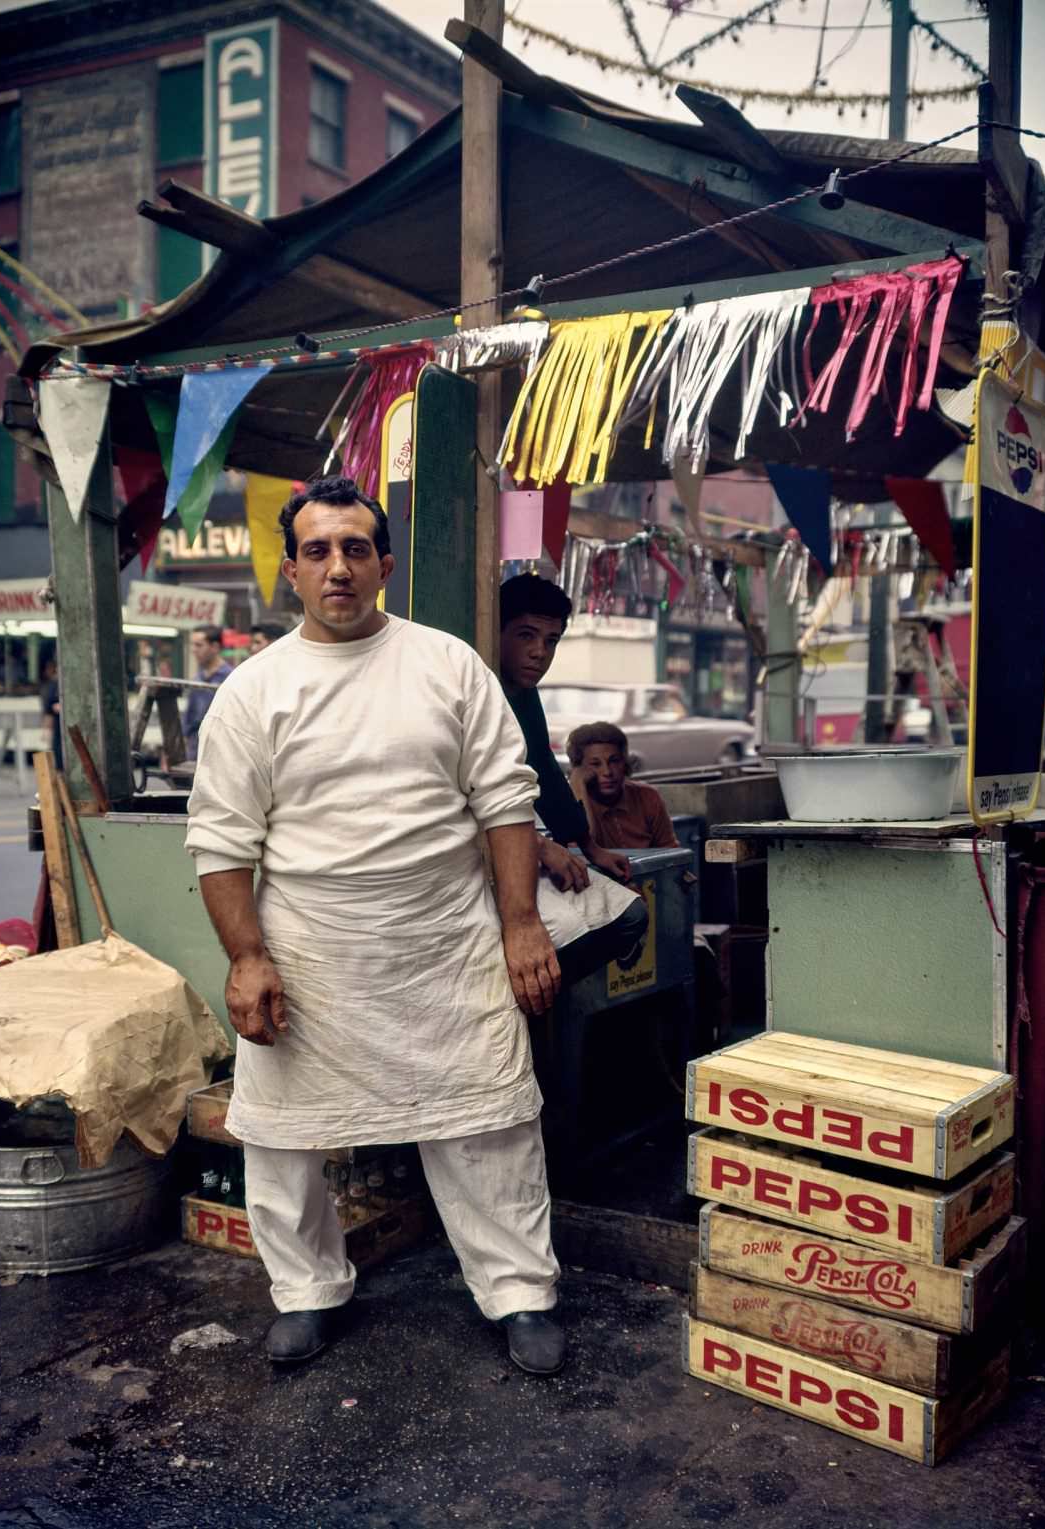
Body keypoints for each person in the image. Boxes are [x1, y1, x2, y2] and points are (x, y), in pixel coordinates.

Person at [185, 476, 566, 1377]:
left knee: (489, 1122)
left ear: (384, 564)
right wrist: (247, 957)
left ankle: (519, 1292)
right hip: (311, 951)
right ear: (292, 571)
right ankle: (307, 1292)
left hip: (447, 942)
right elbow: (221, 842)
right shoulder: (254, 691)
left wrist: (521, 926)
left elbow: (507, 803)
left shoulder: (447, 664)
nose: (339, 567)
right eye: (318, 550)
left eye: (356, 548)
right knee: (281, 1138)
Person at [498, 573, 647, 984]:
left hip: (522, 844)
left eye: (550, 641)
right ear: (496, 630)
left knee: (632, 915)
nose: (538, 653)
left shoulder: (525, 696)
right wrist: (541, 847)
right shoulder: (479, 688)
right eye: (525, 635)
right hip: (483, 855)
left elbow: (543, 771)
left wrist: (589, 847)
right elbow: (465, 797)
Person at [568, 722, 679, 851]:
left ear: (625, 763)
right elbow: (582, 851)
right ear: (579, 769)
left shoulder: (647, 796)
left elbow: (670, 851)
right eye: (595, 764)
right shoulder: (570, 801)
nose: (607, 772)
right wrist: (578, 786)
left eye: (614, 761)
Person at [183, 625, 233, 761]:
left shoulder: (230, 678)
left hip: (219, 752)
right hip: (194, 751)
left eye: (199, 645)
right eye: (192, 645)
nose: (194, 650)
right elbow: (190, 715)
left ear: (215, 647)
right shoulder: (198, 677)